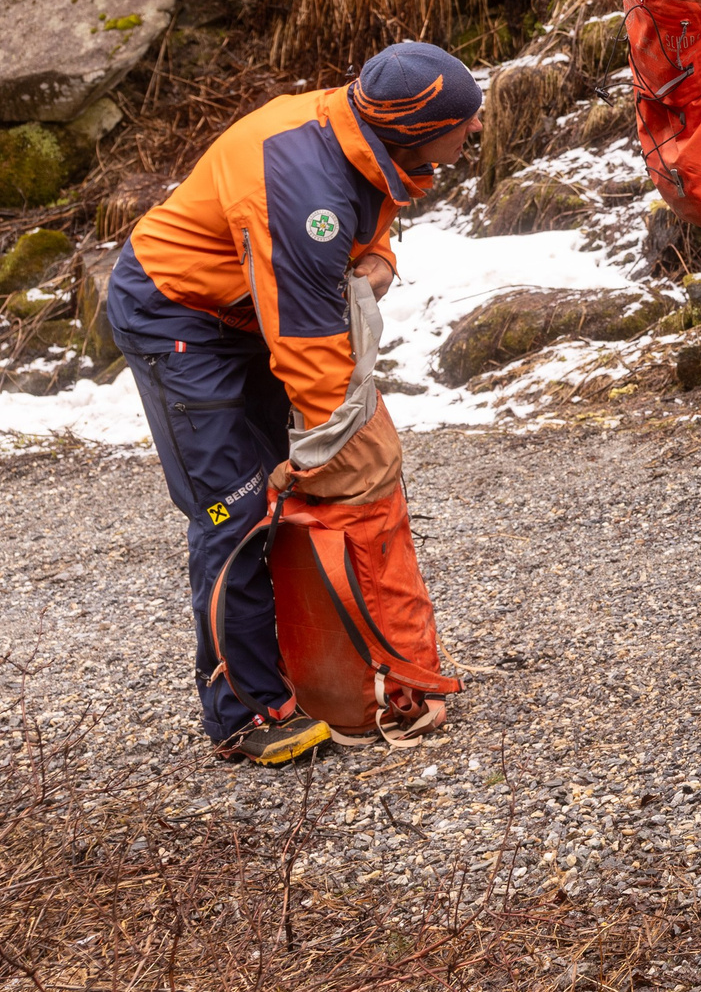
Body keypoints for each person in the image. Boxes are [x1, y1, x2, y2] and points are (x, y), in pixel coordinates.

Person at [107, 42, 484, 764]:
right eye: (462, 122)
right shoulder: (298, 183)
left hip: (250, 309)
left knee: (292, 487)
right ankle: (245, 713)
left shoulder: (363, 136)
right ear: (415, 124)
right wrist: (340, 445)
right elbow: (312, 351)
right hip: (175, 314)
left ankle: (316, 667)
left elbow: (361, 221)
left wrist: (383, 257)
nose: (472, 135)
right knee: (235, 505)